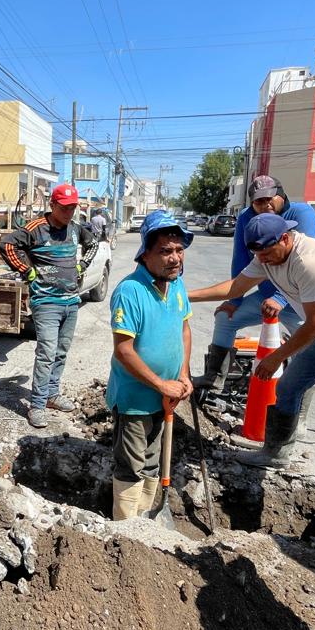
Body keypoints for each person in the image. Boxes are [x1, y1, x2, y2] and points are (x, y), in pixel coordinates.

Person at [189, 213, 315, 551]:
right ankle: (276, 452)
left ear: (285, 238)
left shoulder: (311, 261)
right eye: (258, 254)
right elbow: (235, 288)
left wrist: (274, 357)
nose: (264, 260)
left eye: (268, 252)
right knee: (288, 389)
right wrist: (185, 296)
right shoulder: (266, 256)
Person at [193, 175, 315, 390]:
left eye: (270, 199)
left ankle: (294, 408)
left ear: (281, 195)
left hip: (298, 301)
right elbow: (241, 259)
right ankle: (214, 378)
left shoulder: (302, 213)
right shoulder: (247, 217)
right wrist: (234, 300)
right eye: (259, 202)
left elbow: (305, 264)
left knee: (305, 349)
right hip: (265, 296)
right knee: (225, 317)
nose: (265, 205)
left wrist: (280, 298)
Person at [107, 209, 194, 520]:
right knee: (131, 464)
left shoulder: (177, 285)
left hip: (166, 396)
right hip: (135, 399)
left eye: (179, 250)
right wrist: (160, 384)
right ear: (145, 254)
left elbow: (184, 329)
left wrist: (183, 375)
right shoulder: (130, 291)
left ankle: (146, 516)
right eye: (165, 251)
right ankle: (126, 529)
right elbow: (124, 351)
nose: (175, 258)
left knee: (154, 459)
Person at [0, 182, 99, 428]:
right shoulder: (36, 228)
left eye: (73, 208)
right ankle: (37, 404)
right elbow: (6, 245)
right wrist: (27, 271)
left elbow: (93, 244)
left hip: (71, 301)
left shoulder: (76, 229)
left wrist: (82, 266)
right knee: (46, 353)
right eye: (64, 208)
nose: (69, 213)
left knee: (61, 352)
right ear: (52, 205)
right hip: (46, 302)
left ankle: (52, 395)